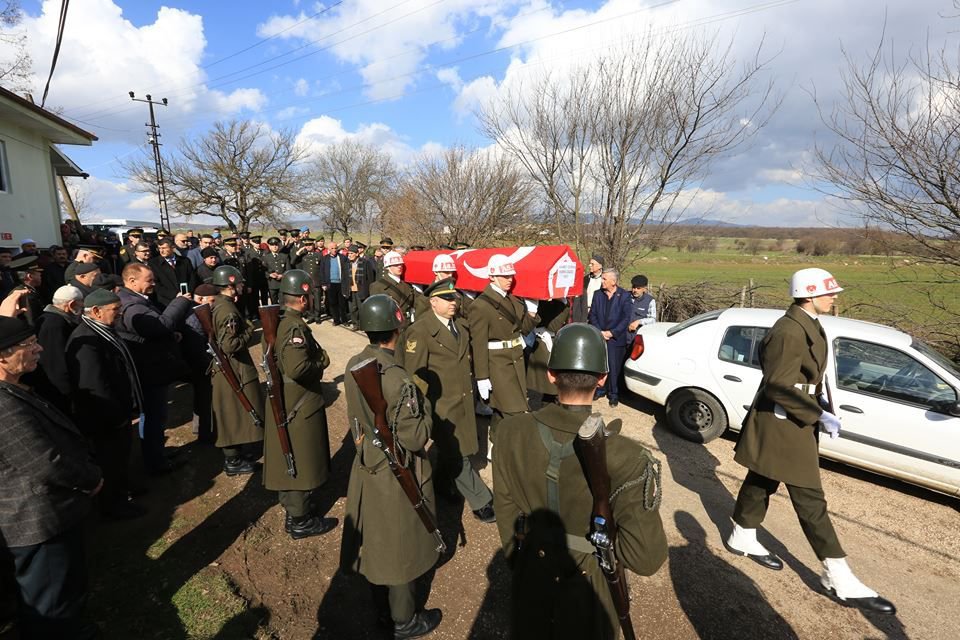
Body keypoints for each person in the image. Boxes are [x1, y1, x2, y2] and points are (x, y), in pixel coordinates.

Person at [727, 268, 896, 614]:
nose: (834, 297)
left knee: (762, 478)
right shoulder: (789, 331)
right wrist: (816, 414)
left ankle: (741, 532)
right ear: (809, 294)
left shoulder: (809, 324)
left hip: (793, 417)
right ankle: (837, 572)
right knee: (809, 496)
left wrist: (820, 407)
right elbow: (778, 384)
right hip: (783, 422)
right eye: (829, 293)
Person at [493, 323, 668, 639]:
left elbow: (506, 512)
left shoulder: (509, 432)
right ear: (602, 379)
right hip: (592, 587)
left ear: (550, 374)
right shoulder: (627, 456)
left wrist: (522, 563)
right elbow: (646, 558)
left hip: (531, 573)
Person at [340, 294, 442, 638]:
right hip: (396, 469)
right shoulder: (398, 379)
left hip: (369, 460)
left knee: (379, 541)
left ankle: (382, 608)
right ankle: (404, 620)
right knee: (399, 546)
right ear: (396, 328)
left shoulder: (355, 362)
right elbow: (415, 438)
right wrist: (425, 406)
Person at [0, 316, 103, 640]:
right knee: (49, 602)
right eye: (28, 344)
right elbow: (44, 462)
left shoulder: (12, 389)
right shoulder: (2, 406)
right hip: (35, 522)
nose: (39, 348)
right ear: (2, 356)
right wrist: (90, 479)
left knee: (64, 591)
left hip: (48, 516)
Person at [397, 278, 495, 524]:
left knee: (450, 449)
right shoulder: (420, 331)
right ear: (433, 302)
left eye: (455, 297)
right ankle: (482, 501)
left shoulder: (460, 327)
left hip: (462, 400)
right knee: (457, 453)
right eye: (448, 298)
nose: (454, 302)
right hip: (439, 405)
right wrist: (421, 410)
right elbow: (415, 375)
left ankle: (440, 485)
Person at [262, 269, 338, 539]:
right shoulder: (293, 326)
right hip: (299, 401)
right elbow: (297, 367)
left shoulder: (280, 321)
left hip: (290, 400)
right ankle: (300, 520)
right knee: (301, 456)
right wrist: (322, 362)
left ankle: (296, 508)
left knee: (292, 454)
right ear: (303, 299)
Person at [66, 289, 145, 520]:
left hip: (117, 413)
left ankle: (124, 490)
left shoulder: (103, 330)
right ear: (97, 312)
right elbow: (96, 386)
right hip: (106, 419)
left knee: (121, 458)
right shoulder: (87, 342)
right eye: (115, 310)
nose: (120, 314)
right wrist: (117, 416)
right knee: (110, 462)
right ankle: (114, 507)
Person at [116, 263, 193, 475]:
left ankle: (157, 453)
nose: (153, 284)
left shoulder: (133, 300)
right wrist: (180, 302)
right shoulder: (133, 307)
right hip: (149, 371)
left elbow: (150, 332)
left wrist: (169, 336)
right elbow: (159, 325)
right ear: (132, 281)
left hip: (152, 367)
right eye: (149, 280)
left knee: (155, 417)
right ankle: (156, 463)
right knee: (152, 417)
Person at [468, 255, 539, 438]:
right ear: (492, 276)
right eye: (505, 276)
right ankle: (510, 449)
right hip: (498, 364)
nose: (510, 280)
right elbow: (479, 343)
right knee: (514, 410)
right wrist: (482, 376)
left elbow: (523, 329)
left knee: (502, 410)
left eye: (511, 276)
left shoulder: (513, 300)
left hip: (515, 359)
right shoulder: (481, 305)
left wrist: (531, 313)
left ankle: (497, 444)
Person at [208, 265, 265, 476]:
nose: (242, 286)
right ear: (230, 285)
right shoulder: (228, 310)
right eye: (239, 283)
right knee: (233, 413)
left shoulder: (223, 305)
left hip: (229, 368)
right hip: (234, 369)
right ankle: (233, 460)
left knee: (236, 412)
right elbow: (230, 345)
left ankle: (238, 453)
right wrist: (249, 329)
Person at [26, 285, 83, 413]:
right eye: (80, 304)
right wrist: (69, 392)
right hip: (59, 393)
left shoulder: (53, 319)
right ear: (71, 304)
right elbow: (55, 363)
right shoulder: (54, 325)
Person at [587, 268, 631, 407]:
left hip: (615, 338)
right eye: (602, 278)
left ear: (614, 281)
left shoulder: (624, 296)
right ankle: (600, 389)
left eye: (605, 279)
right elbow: (592, 314)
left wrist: (612, 333)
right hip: (600, 336)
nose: (602, 281)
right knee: (600, 365)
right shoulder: (597, 294)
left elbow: (626, 318)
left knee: (614, 366)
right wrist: (600, 331)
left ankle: (614, 394)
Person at [182, 284, 217, 444]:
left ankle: (201, 428)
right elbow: (197, 344)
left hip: (196, 362)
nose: (214, 304)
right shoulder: (194, 315)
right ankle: (206, 433)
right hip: (199, 364)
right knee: (204, 399)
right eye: (212, 300)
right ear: (200, 299)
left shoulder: (194, 311)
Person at [369, 251, 415, 326]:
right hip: (389, 327)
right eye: (395, 265)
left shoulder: (408, 286)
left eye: (400, 264)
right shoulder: (377, 286)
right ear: (388, 267)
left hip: (406, 327)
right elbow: (376, 314)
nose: (399, 266)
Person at [148, 238, 195, 308]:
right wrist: (175, 294)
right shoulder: (154, 263)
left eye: (164, 248)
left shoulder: (185, 261)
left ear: (173, 247)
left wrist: (188, 293)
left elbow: (192, 279)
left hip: (187, 299)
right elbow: (156, 285)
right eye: (159, 248)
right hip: (166, 303)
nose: (161, 251)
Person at [9, 256, 44, 328]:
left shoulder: (27, 290)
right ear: (30, 276)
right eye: (38, 273)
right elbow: (30, 320)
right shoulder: (24, 294)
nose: (40, 275)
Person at [344, 245, 375, 328]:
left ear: (357, 254)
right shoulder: (347, 264)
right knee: (352, 309)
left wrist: (369, 290)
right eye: (348, 253)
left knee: (362, 309)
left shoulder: (365, 263)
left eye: (351, 253)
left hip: (361, 289)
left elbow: (370, 278)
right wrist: (344, 290)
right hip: (350, 290)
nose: (349, 255)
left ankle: (363, 324)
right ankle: (355, 324)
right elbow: (344, 278)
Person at [320, 240, 349, 325]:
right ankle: (336, 319)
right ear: (329, 249)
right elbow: (322, 272)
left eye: (335, 248)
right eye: (332, 248)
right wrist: (323, 283)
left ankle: (344, 320)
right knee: (333, 303)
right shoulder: (325, 259)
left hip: (341, 283)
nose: (334, 250)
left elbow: (346, 271)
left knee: (342, 303)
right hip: (330, 284)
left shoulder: (343, 258)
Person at [572, 254, 604, 323]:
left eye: (592, 264)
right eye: (590, 263)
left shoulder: (604, 280)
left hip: (598, 315)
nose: (589, 265)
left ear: (600, 266)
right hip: (584, 313)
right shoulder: (585, 279)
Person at [626, 275, 656, 341]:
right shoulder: (624, 296)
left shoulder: (650, 301)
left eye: (638, 288)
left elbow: (652, 319)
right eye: (634, 287)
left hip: (637, 338)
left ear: (644, 289)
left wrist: (639, 322)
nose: (635, 290)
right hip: (622, 337)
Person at [262, 237, 290, 304]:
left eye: (276, 245)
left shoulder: (284, 256)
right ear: (269, 246)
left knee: (283, 302)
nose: (275, 247)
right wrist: (269, 275)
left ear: (279, 245)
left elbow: (288, 270)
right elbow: (263, 271)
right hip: (272, 284)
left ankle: (282, 314)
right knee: (274, 303)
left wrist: (282, 275)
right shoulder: (266, 257)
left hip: (282, 283)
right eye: (272, 245)